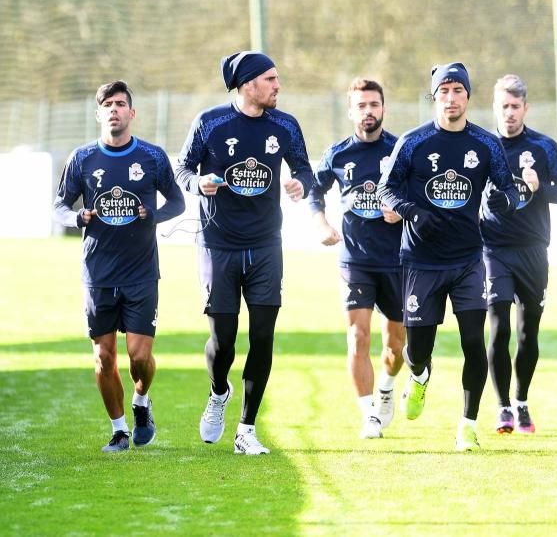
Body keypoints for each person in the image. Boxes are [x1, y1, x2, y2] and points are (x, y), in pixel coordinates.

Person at [175, 51, 314, 455]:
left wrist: (300, 185)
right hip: (218, 246)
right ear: (248, 84)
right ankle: (219, 393)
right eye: (270, 79)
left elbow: (305, 170)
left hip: (267, 245)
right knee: (223, 341)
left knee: (264, 336)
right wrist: (199, 183)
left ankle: (247, 429)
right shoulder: (210, 122)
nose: (277, 86)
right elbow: (182, 170)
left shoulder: (285, 125)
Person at [377, 62, 519, 451]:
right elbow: (386, 193)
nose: (451, 98)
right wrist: (413, 212)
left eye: (458, 90)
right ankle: (420, 376)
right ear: (435, 97)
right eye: (444, 91)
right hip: (421, 261)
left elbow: (511, 193)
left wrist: (500, 200)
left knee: (474, 340)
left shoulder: (486, 144)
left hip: (469, 261)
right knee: (417, 349)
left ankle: (467, 425)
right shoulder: (413, 142)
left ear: (468, 97)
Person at [54, 80, 185, 453]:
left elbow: (177, 202)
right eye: (107, 104)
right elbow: (59, 206)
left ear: (132, 113)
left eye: (120, 103)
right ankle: (119, 430)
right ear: (99, 114)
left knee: (139, 356)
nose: (114, 109)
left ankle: (142, 402)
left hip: (141, 272)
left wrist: (153, 214)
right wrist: (78, 217)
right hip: (98, 274)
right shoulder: (82, 159)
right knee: (104, 356)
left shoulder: (152, 157)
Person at [480, 74, 557, 434]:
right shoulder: (482, 146)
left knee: (527, 333)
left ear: (526, 108)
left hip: (534, 251)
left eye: (515, 106)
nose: (509, 113)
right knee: (498, 326)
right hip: (493, 249)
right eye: (503, 106)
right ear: (494, 107)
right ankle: (503, 407)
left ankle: (521, 402)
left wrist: (541, 188)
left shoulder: (543, 147)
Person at [308, 78, 405, 439]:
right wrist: (321, 222)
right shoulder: (338, 154)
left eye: (374, 104)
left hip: (397, 261)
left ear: (383, 108)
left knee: (396, 346)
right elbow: (313, 192)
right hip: (355, 260)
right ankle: (369, 417)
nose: (368, 111)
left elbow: (420, 196)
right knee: (357, 335)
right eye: (361, 105)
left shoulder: (401, 150)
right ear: (351, 111)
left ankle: (386, 388)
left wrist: (402, 211)